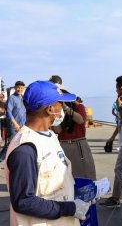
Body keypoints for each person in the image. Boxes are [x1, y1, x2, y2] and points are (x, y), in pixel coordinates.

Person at [5, 80, 90, 225]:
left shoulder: (49, 135)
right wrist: (70, 208)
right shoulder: (25, 149)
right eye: (60, 104)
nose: (63, 109)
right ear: (50, 109)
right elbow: (24, 201)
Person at [53, 84, 96, 180]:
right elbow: (58, 130)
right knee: (66, 177)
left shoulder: (79, 107)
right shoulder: (57, 112)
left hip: (78, 145)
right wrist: (56, 115)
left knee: (85, 175)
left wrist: (66, 108)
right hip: (63, 146)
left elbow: (80, 120)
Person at [100, 75, 122, 208]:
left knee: (119, 169)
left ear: (121, 88)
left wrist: (119, 108)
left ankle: (116, 198)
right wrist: (112, 138)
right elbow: (120, 124)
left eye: (116, 87)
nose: (115, 90)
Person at [0, 81, 27, 162]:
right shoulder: (12, 98)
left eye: (22, 88)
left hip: (22, 125)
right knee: (9, 145)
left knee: (20, 144)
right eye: (18, 87)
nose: (20, 89)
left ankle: (14, 160)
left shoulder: (22, 98)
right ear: (15, 88)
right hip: (14, 126)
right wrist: (15, 124)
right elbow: (8, 112)